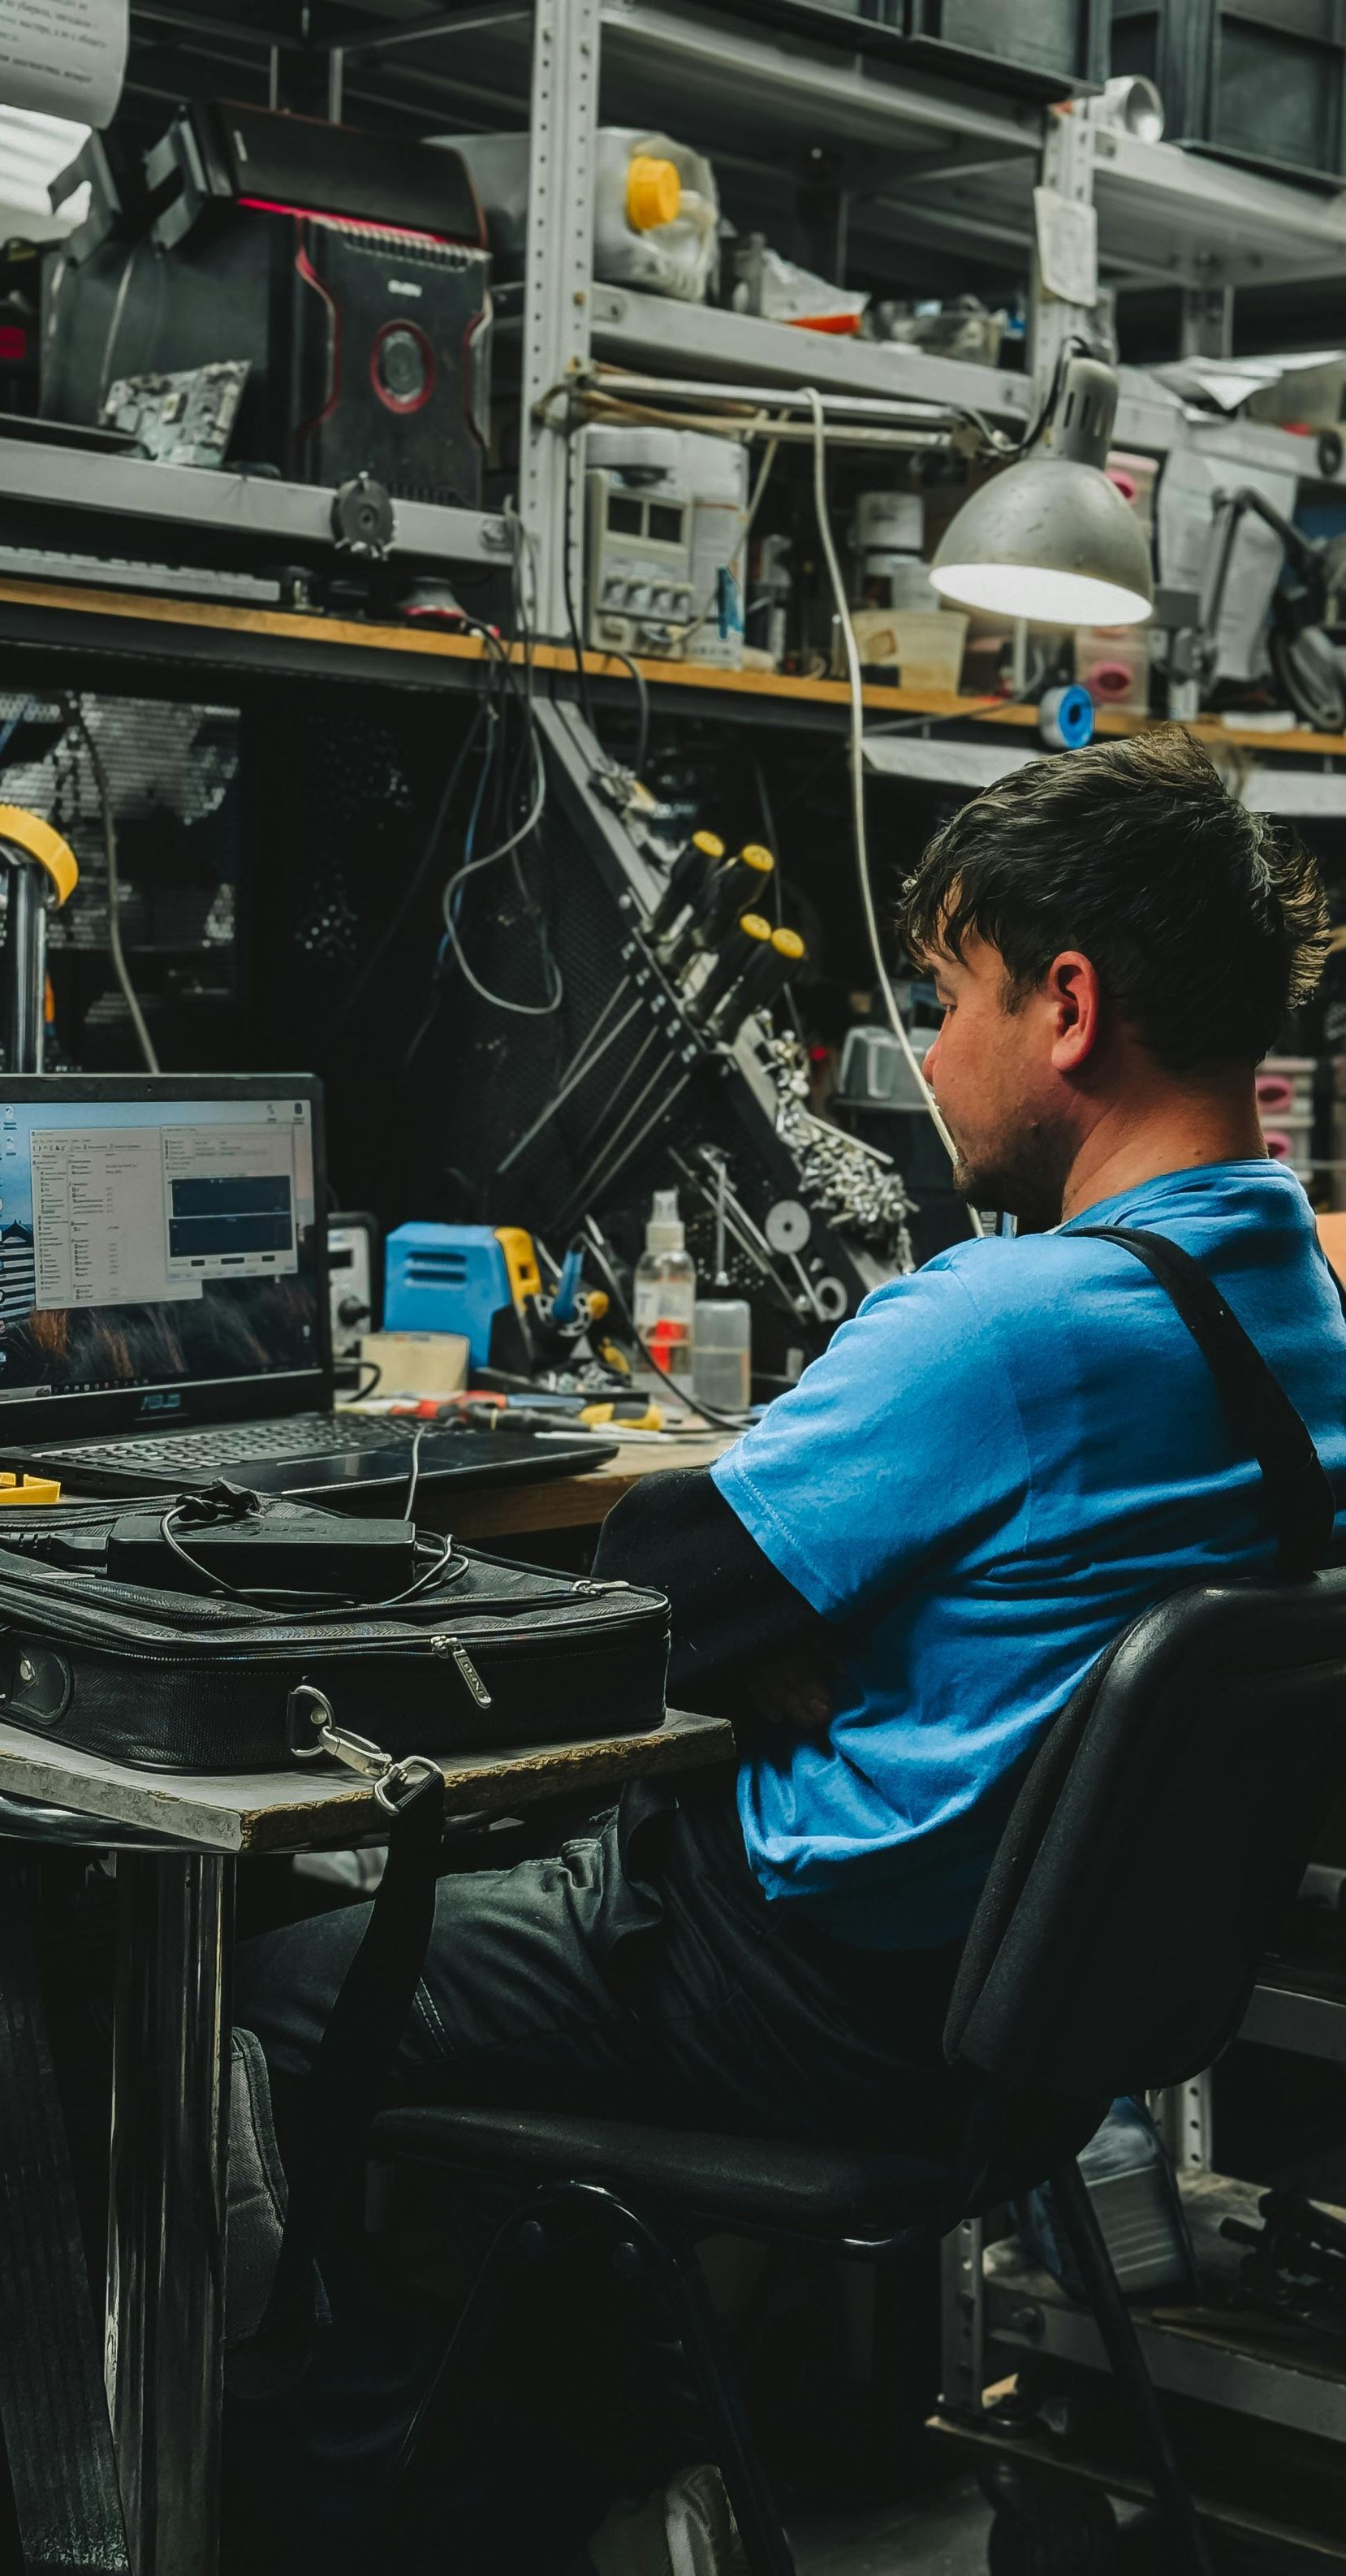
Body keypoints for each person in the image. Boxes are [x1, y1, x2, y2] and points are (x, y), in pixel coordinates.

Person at [229, 728, 1346, 2567]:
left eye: (949, 997)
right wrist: (811, 1627)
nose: (934, 1056)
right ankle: (619, 2443)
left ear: (1069, 1007)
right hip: (1032, 2050)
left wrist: (777, 1631)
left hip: (794, 1998)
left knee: (267, 1977)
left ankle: (374, 2505)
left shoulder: (1021, 1320)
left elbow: (657, 1581)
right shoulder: (1295, 1295)